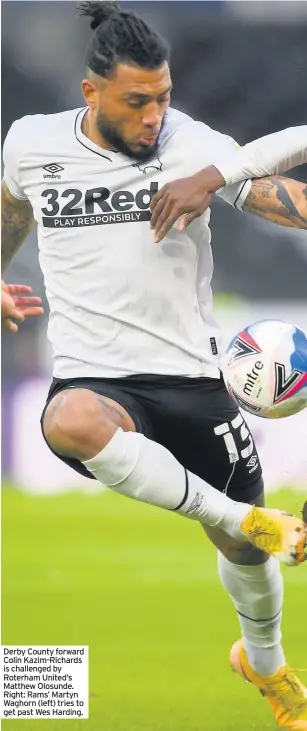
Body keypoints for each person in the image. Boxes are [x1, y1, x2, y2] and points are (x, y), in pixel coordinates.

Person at [1, 2, 307, 727]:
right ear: (91, 93)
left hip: (193, 379)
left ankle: (265, 666)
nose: (153, 116)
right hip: (96, 377)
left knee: (245, 556)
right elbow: (11, 210)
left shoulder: (188, 141)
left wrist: (235, 180)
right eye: (137, 101)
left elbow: (266, 193)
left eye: (163, 97)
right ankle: (247, 517)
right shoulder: (30, 144)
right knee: (70, 418)